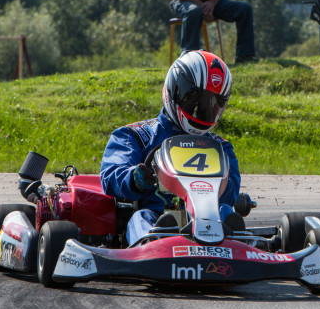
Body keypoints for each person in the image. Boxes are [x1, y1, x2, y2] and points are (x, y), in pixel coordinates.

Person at [100, 50, 242, 246]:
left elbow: (231, 194)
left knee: (225, 210)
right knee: (141, 216)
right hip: (157, 217)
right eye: (196, 102)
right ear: (175, 91)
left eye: (212, 104)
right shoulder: (136, 135)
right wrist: (134, 179)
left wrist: (220, 185)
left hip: (208, 223)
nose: (203, 111)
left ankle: (232, 239)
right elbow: (110, 176)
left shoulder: (221, 147)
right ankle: (154, 241)